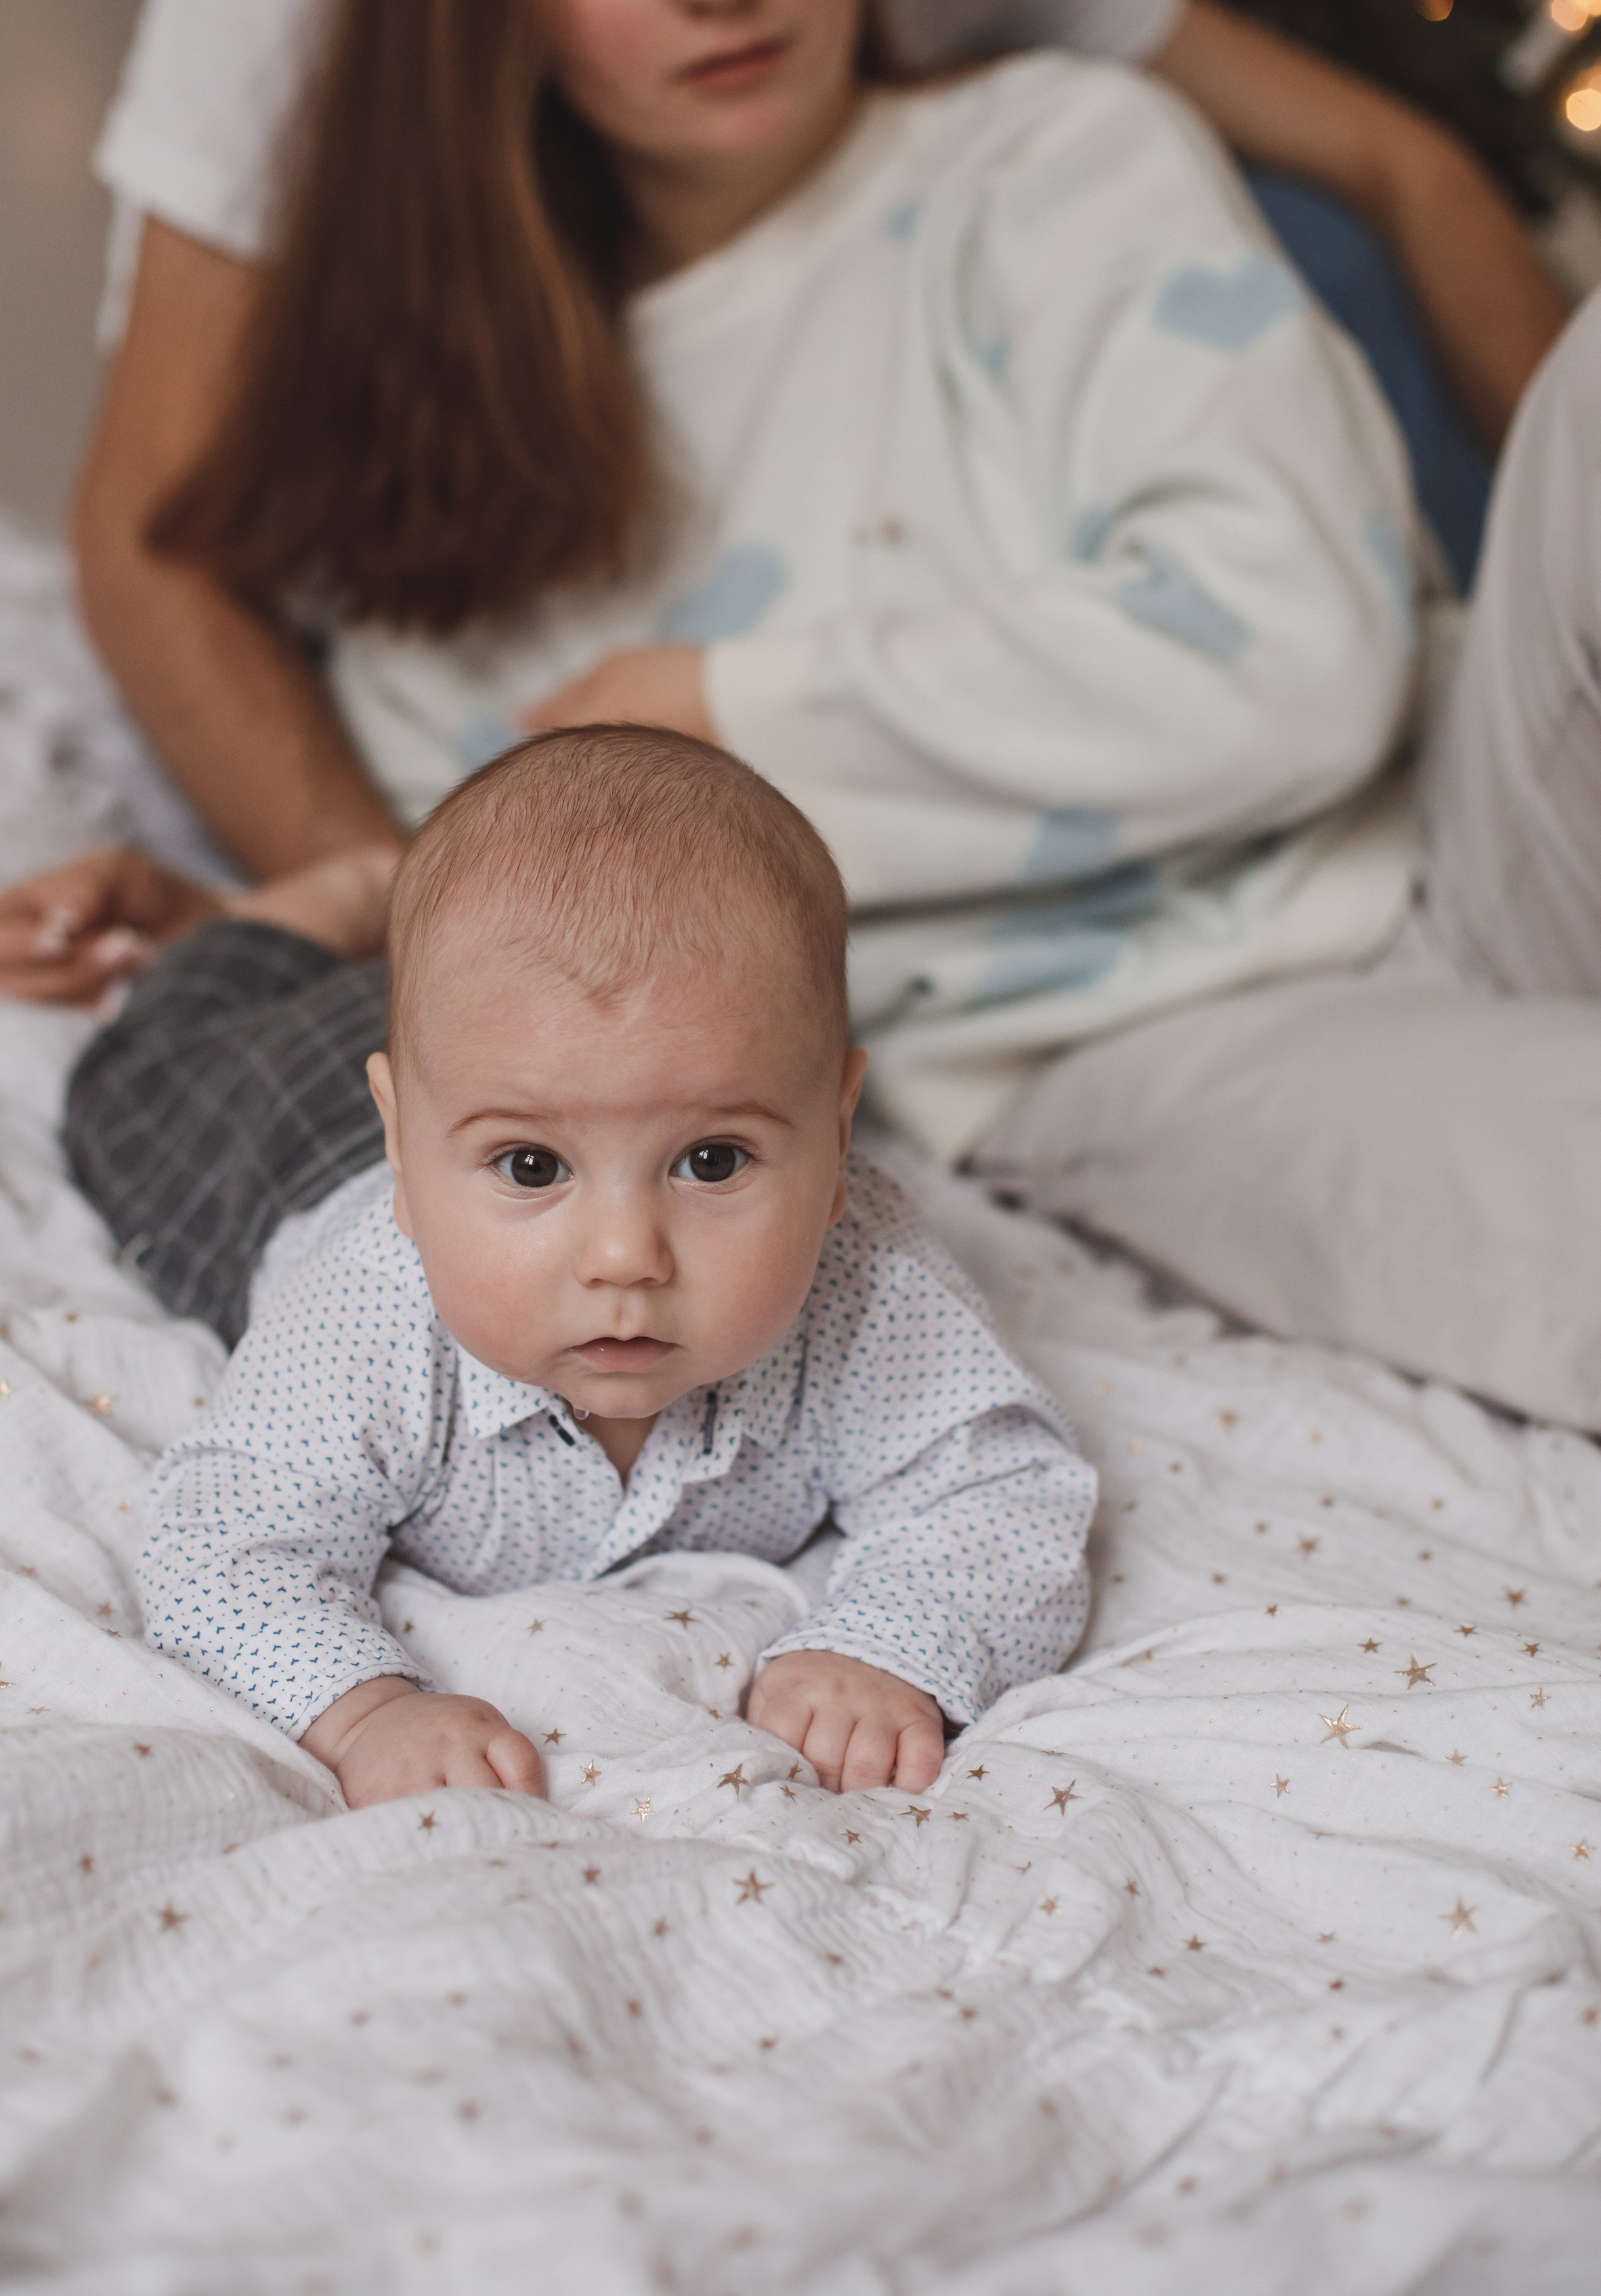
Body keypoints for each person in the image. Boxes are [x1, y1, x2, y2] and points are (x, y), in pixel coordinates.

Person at [47, 0, 1598, 1438]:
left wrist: (712, 712)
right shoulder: (456, 505)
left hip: (1486, 806)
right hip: (1124, 1042)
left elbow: (1300, 657)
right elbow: (526, 967)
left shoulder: (1058, 156)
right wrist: (251, 926)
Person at [139, 727, 1095, 1806]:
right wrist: (366, 1711)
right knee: (157, 1068)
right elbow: (216, 1550)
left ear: (836, 1132)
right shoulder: (364, 1320)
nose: (623, 1257)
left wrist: (894, 1646)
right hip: (277, 1144)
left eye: (711, 1160)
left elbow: (1005, 1494)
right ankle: (315, 906)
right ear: (403, 1150)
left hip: (465, 1060)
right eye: (534, 1165)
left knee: (466, 1030)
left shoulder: (866, 1282)